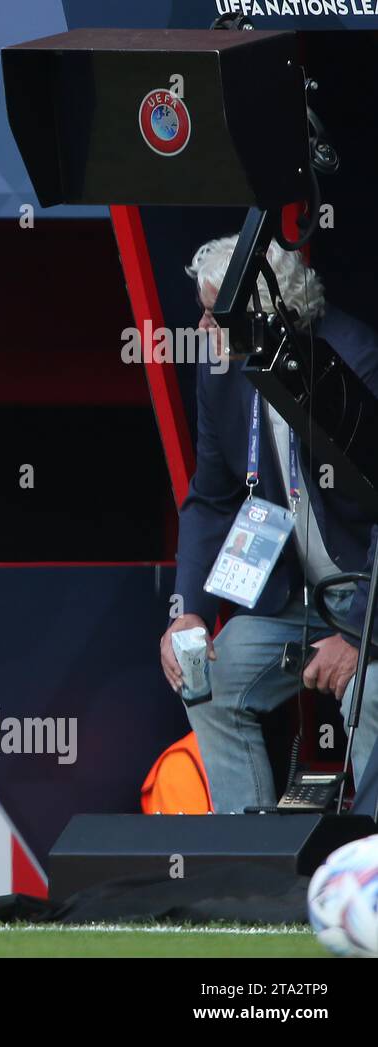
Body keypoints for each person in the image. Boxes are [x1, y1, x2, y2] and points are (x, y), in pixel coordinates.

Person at [160, 235, 378, 813]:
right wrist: (190, 613)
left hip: (369, 597)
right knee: (211, 682)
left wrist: (359, 637)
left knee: (369, 694)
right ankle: (249, 867)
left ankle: (366, 868)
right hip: (298, 598)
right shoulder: (222, 369)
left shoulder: (353, 358)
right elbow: (209, 500)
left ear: (260, 316)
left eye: (214, 313)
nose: (202, 328)